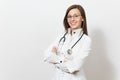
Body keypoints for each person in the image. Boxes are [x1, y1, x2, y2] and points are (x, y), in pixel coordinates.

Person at [44, 4, 92, 80]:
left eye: (76, 16)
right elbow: (47, 55)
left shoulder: (86, 40)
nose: (72, 19)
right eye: (69, 16)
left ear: (82, 18)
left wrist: (55, 57)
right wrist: (65, 60)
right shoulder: (61, 36)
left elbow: (75, 67)